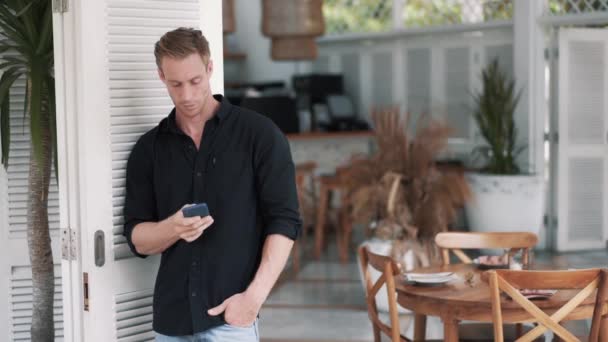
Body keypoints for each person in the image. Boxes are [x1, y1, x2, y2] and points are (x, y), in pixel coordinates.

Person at [122, 27, 301, 342]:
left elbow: (285, 222)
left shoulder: (260, 135)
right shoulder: (148, 149)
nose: (187, 95)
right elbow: (137, 239)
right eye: (176, 84)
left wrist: (253, 299)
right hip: (171, 321)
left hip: (232, 319)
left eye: (195, 81)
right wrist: (174, 228)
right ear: (161, 77)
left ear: (209, 68)